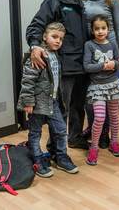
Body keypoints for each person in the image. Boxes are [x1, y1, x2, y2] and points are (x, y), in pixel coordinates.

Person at [26, 0, 89, 150]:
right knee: (61, 109)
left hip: (81, 64)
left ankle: (75, 137)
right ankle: (55, 148)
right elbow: (36, 25)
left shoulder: (80, 2)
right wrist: (34, 45)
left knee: (78, 105)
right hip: (64, 65)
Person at [17, 22, 79, 177]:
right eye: (54, 37)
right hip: (37, 103)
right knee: (35, 132)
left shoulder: (56, 55)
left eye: (61, 38)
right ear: (44, 36)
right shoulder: (38, 55)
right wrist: (28, 102)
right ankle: (37, 158)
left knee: (60, 129)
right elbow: (28, 80)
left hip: (53, 101)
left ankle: (61, 156)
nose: (58, 41)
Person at [82, 0, 119, 148]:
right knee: (91, 98)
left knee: (108, 95)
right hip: (91, 52)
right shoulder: (84, 2)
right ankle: (95, 130)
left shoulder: (113, 0)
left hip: (109, 53)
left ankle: (104, 136)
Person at [83, 15, 119, 165]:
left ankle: (114, 142)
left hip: (113, 85)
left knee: (114, 116)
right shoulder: (89, 45)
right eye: (97, 29)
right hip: (97, 88)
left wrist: (114, 64)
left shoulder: (113, 44)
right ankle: (94, 147)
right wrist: (103, 66)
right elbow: (87, 66)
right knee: (100, 117)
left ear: (108, 29)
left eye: (103, 28)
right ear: (92, 30)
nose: (100, 31)